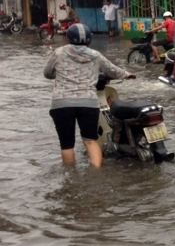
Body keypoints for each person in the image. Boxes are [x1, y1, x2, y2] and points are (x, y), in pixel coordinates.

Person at [43, 24, 135, 168]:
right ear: (89, 39)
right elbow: (113, 70)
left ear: (68, 38)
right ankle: (97, 175)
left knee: (67, 145)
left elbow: (47, 73)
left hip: (62, 103)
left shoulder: (59, 53)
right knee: (90, 140)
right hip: (88, 103)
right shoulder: (95, 55)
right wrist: (127, 74)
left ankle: (71, 179)